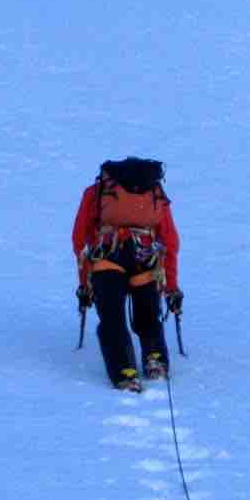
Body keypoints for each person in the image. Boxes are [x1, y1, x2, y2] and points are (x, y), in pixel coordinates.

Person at [74, 157, 180, 390]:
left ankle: (125, 372)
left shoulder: (97, 191)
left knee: (113, 318)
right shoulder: (154, 192)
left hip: (108, 258)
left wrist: (85, 283)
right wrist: (171, 287)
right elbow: (170, 241)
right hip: (145, 257)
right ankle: (155, 360)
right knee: (148, 315)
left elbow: (80, 238)